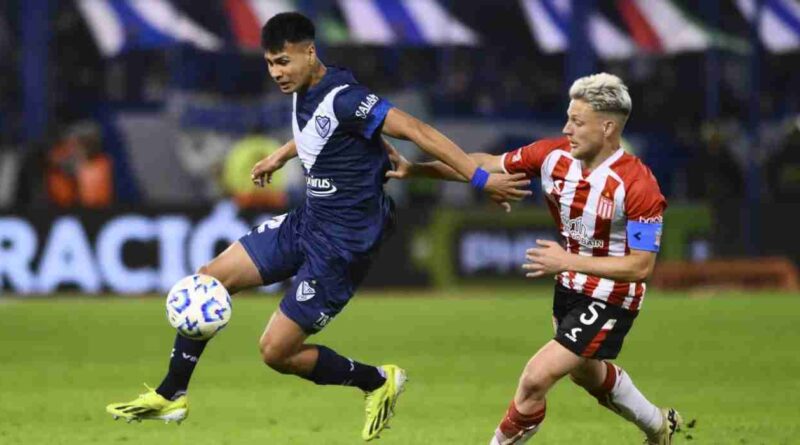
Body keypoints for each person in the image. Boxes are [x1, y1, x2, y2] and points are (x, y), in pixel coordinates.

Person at [106, 12, 530, 441]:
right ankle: (172, 393)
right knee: (208, 280)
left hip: (343, 246)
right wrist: (282, 155)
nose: (277, 73)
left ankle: (377, 381)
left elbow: (417, 130)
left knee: (276, 352)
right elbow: (319, 130)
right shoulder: (306, 90)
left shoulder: (347, 97)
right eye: (271, 63)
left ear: (310, 53)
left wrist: (480, 179)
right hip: (307, 220)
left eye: (284, 62)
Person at [387, 73, 682, 444]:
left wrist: (567, 262)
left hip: (613, 294)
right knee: (587, 373)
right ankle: (658, 426)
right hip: (570, 287)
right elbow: (485, 163)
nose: (566, 128)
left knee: (534, 379)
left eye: (577, 122)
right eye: (568, 119)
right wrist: (417, 170)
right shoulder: (552, 155)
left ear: (607, 127)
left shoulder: (639, 186)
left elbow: (641, 267)